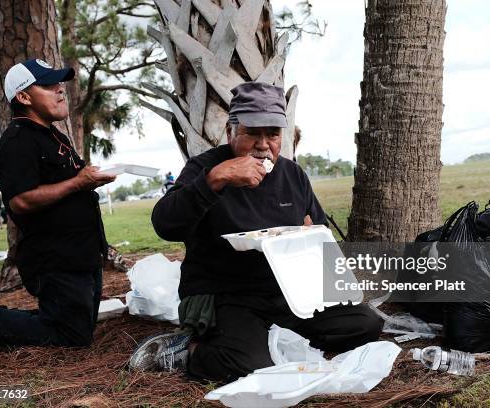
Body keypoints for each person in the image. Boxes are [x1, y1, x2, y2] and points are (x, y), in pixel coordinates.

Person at [129, 82, 382, 382]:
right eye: (253, 133)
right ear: (230, 132)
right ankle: (189, 352)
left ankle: (280, 347)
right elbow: (165, 224)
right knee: (252, 368)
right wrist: (214, 180)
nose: (264, 144)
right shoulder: (206, 169)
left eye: (273, 134)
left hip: (286, 294)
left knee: (366, 323)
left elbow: (318, 231)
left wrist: (310, 237)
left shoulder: (292, 175)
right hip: (226, 296)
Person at [0, 59, 116, 363]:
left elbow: (69, 183)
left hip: (80, 252)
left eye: (59, 84)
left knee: (74, 327)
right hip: (55, 258)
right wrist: (77, 183)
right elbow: (20, 200)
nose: (60, 90)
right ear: (23, 97)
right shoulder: (16, 143)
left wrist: (89, 181)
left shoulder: (53, 136)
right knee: (69, 336)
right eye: (48, 85)